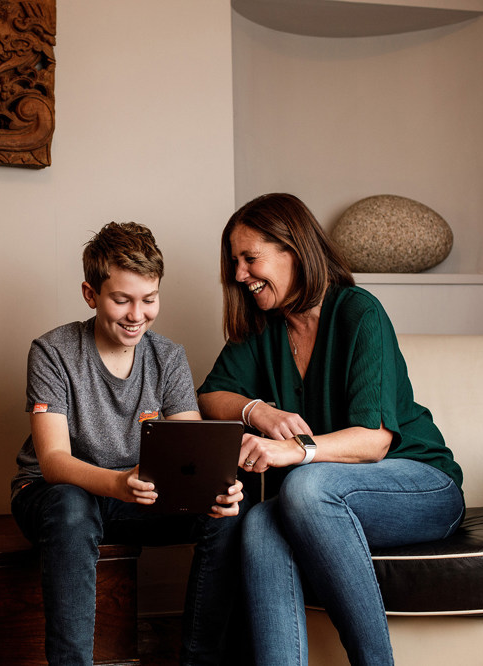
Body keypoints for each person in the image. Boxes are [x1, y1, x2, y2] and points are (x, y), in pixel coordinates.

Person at [197, 193, 464, 666]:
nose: (239, 275)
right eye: (234, 262)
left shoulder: (359, 311)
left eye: (250, 258)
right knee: (258, 522)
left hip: (420, 486)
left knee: (303, 486)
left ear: (293, 250)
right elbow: (211, 395)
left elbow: (375, 439)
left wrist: (293, 451)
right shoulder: (265, 328)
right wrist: (258, 410)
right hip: (328, 498)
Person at [11, 221, 245, 666]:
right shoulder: (52, 351)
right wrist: (118, 484)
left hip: (139, 494)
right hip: (57, 496)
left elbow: (192, 448)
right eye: (122, 300)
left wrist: (219, 484)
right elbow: (54, 461)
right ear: (90, 294)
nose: (137, 314)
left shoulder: (168, 356)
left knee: (232, 512)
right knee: (70, 506)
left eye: (149, 299)